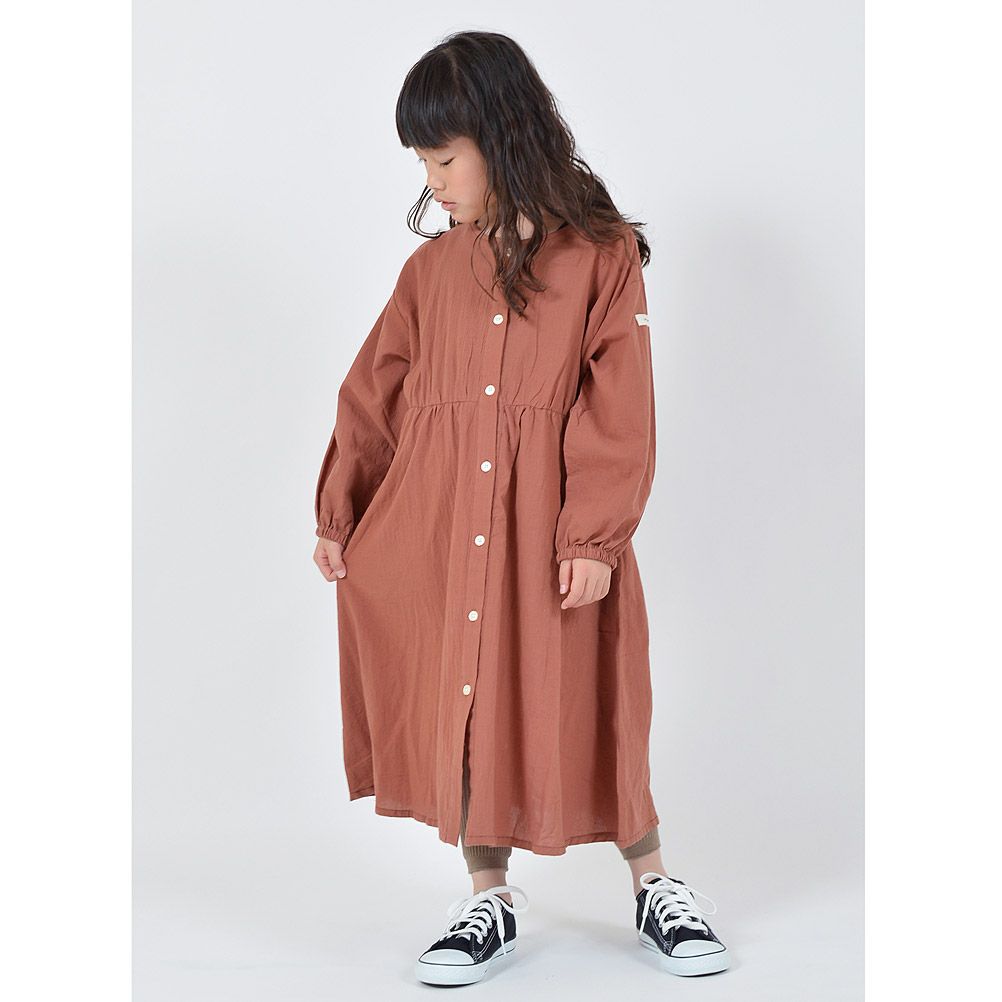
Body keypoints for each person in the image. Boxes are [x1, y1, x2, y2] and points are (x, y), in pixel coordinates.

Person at [312, 30, 730, 986]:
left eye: (444, 159)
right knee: (466, 704)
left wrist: (592, 534)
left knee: (594, 693)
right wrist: (341, 509)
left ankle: (654, 884)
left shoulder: (601, 257)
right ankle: (486, 896)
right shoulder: (428, 275)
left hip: (551, 534)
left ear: (503, 137)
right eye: (423, 164)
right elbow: (373, 394)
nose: (433, 183)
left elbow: (619, 406)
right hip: (438, 524)